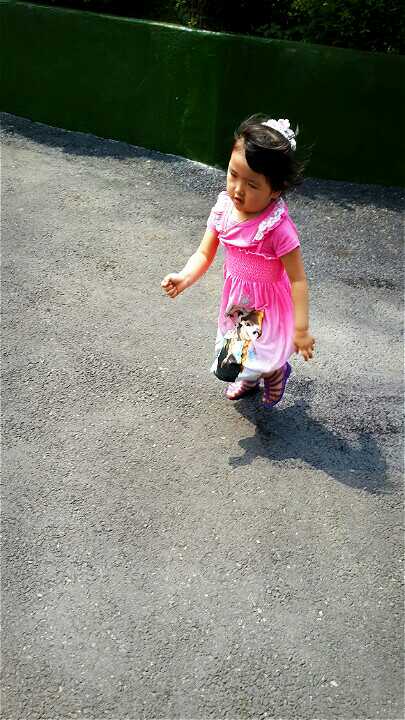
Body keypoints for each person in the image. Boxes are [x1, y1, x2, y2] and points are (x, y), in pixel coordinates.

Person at [161, 114, 315, 407]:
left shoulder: (277, 228)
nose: (237, 189)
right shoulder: (224, 210)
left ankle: (275, 372)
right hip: (239, 301)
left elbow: (298, 280)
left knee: (264, 354)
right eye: (233, 175)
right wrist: (184, 277)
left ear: (275, 190)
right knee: (232, 361)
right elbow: (204, 253)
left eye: (252, 184)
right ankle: (250, 378)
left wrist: (301, 329)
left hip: (267, 305)